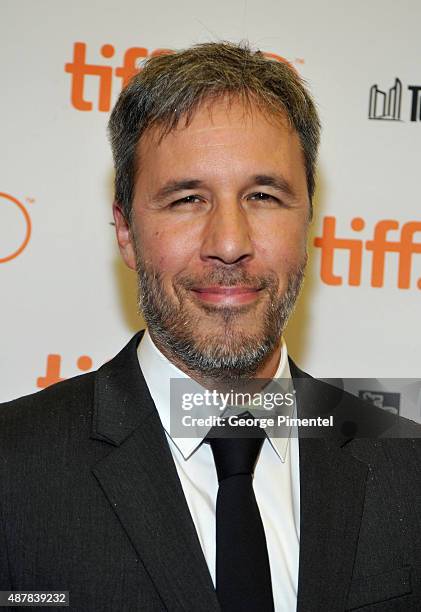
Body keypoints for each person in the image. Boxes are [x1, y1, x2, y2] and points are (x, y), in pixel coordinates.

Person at [1, 41, 420, 612]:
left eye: (264, 196)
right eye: (187, 198)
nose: (229, 244)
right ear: (125, 231)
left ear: (309, 225)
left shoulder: (408, 468)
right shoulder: (13, 468)